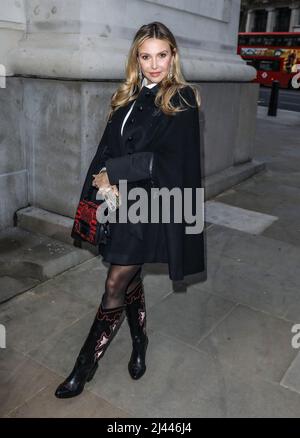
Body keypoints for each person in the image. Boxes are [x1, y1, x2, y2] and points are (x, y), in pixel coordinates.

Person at [55, 21, 206, 399]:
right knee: (129, 273)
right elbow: (108, 147)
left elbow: (170, 162)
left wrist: (116, 173)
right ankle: (140, 342)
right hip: (117, 204)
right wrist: (97, 186)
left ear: (173, 57)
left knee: (114, 283)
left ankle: (83, 367)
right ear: (136, 59)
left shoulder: (182, 98)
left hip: (152, 206)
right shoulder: (128, 96)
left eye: (161, 55)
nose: (154, 64)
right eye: (146, 56)